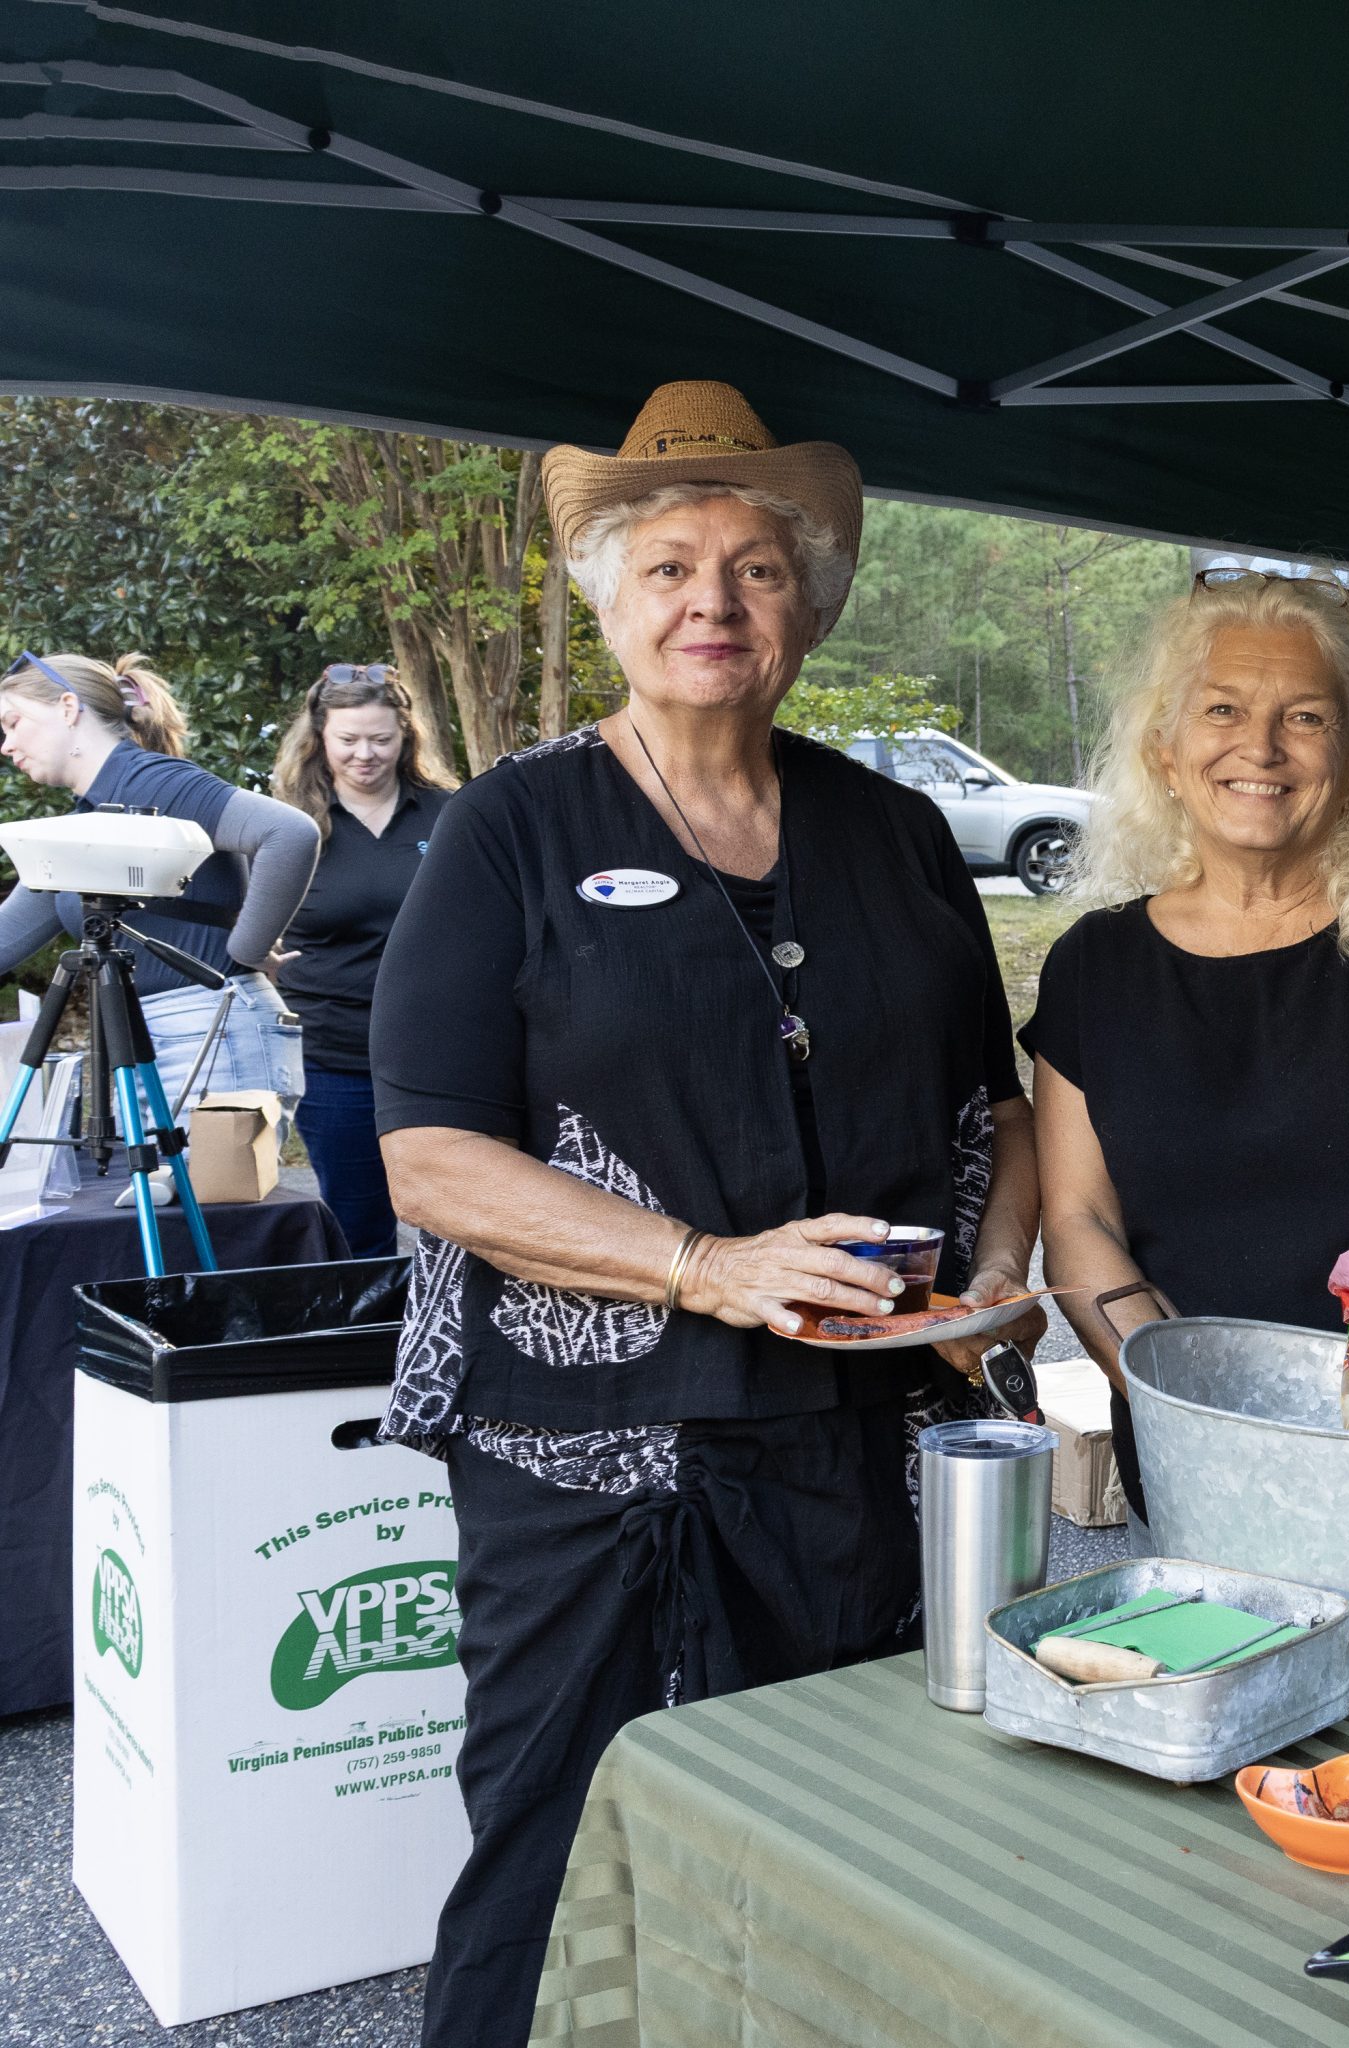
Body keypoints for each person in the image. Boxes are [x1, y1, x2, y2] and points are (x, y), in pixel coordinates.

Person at [370, 381, 1044, 2048]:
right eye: (670, 567)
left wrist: (996, 1275)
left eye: (756, 568)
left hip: (857, 1446)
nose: (714, 602)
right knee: (563, 1853)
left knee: (827, 1841)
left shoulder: (897, 832)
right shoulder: (512, 828)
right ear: (611, 602)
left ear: (808, 607)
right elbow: (431, 1157)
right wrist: (705, 1267)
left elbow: (998, 1107)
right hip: (594, 1462)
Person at [1021, 569, 1349, 1534]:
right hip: (1193, 1454)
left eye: (1305, 717)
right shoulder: (1093, 968)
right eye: (1222, 709)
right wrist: (1187, 1401)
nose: (1259, 747)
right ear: (1166, 750)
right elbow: (1079, 1219)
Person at [0, 651, 318, 1120]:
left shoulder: (155, 783)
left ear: (68, 708)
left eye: (13, 723)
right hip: (147, 1040)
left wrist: (247, 950)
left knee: (202, 1174)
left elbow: (290, 833)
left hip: (213, 1034)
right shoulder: (85, 821)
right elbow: (5, 938)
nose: (7, 745)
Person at [269, 664, 458, 1257]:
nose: (365, 754)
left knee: (460, 1225)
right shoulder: (290, 826)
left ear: (407, 736)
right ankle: (373, 1323)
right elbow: (243, 921)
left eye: (381, 738)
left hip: (441, 1058)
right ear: (319, 738)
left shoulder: (451, 815)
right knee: (358, 1232)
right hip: (333, 1060)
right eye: (348, 739)